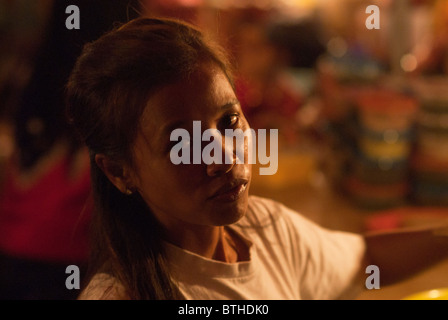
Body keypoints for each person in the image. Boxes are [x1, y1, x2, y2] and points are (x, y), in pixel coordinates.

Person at [65, 17, 448, 300]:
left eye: (230, 121)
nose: (224, 156)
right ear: (119, 172)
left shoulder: (268, 232)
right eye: (182, 143)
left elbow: (364, 261)